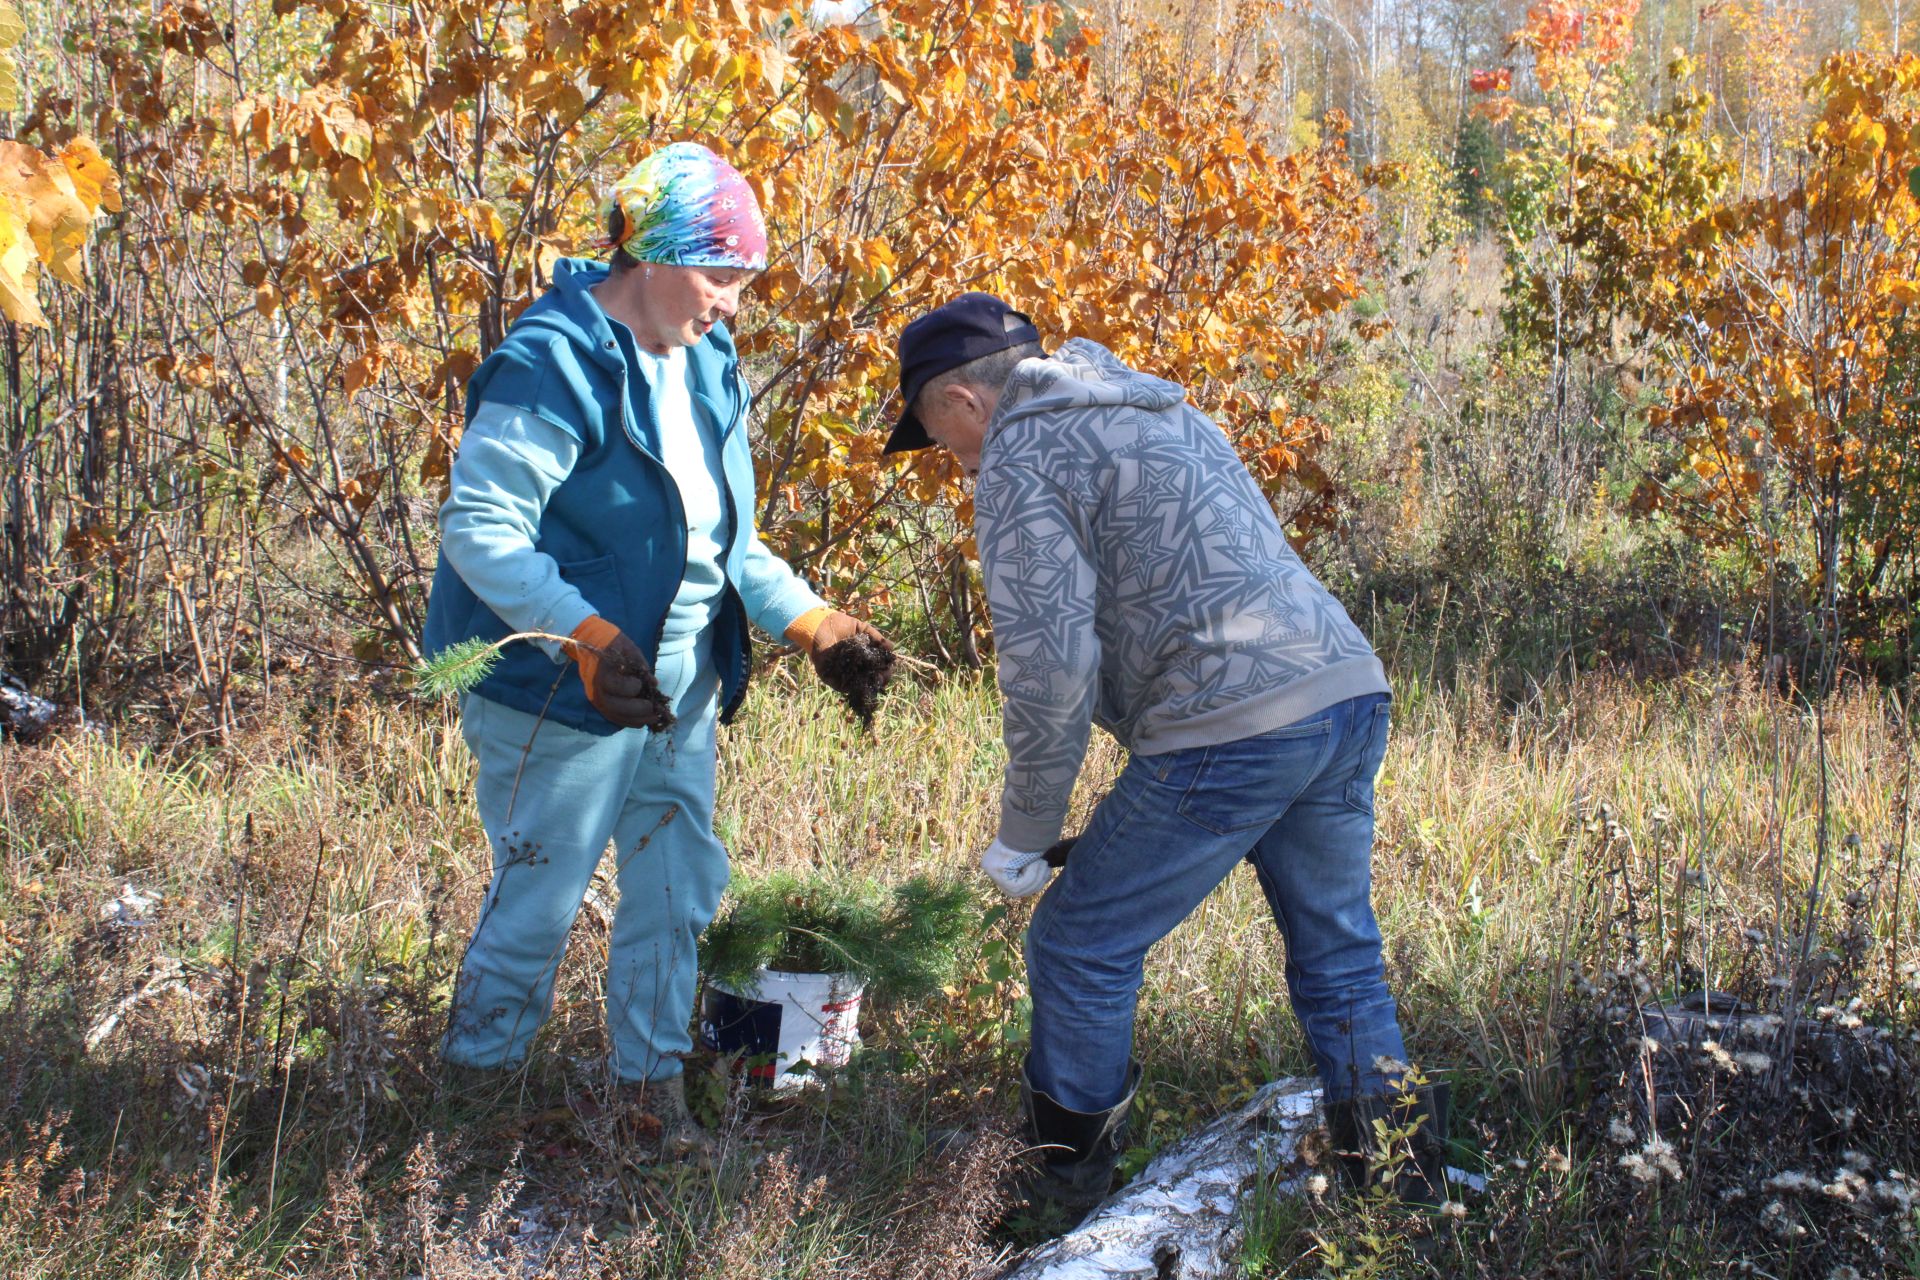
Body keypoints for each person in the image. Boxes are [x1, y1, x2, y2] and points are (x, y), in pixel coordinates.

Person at [882, 294, 1443, 1213]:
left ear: (961, 401)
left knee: (1077, 947)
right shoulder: (1149, 403)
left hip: (1234, 728)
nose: (953, 459)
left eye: (938, 435)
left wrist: (1024, 835)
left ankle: (1063, 1196)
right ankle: (1397, 1187)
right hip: (1343, 691)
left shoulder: (1020, 456)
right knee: (1339, 952)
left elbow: (1050, 667)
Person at [422, 142, 887, 1156]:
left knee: (680, 890)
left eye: (743, 283)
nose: (731, 304)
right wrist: (586, 636)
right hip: (556, 685)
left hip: (676, 683)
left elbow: (729, 542)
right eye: (721, 275)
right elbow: (481, 527)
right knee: (538, 899)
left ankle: (647, 1097)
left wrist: (813, 623)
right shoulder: (555, 362)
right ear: (655, 253)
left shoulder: (707, 360)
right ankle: (471, 1118)